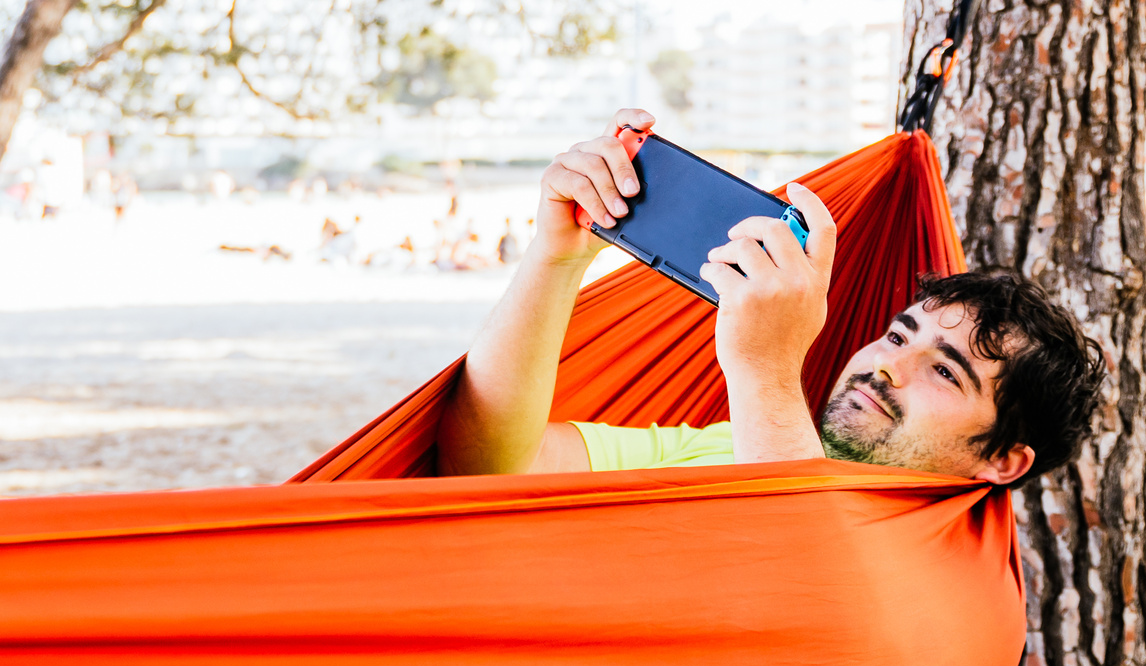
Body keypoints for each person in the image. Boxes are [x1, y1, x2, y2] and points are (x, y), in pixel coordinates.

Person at [436, 108, 1103, 484]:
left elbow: (795, 575)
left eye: (944, 370)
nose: (887, 365)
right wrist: (556, 258)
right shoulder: (727, 446)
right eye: (900, 335)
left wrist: (763, 367)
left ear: (1001, 459)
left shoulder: (934, 554)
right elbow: (491, 469)